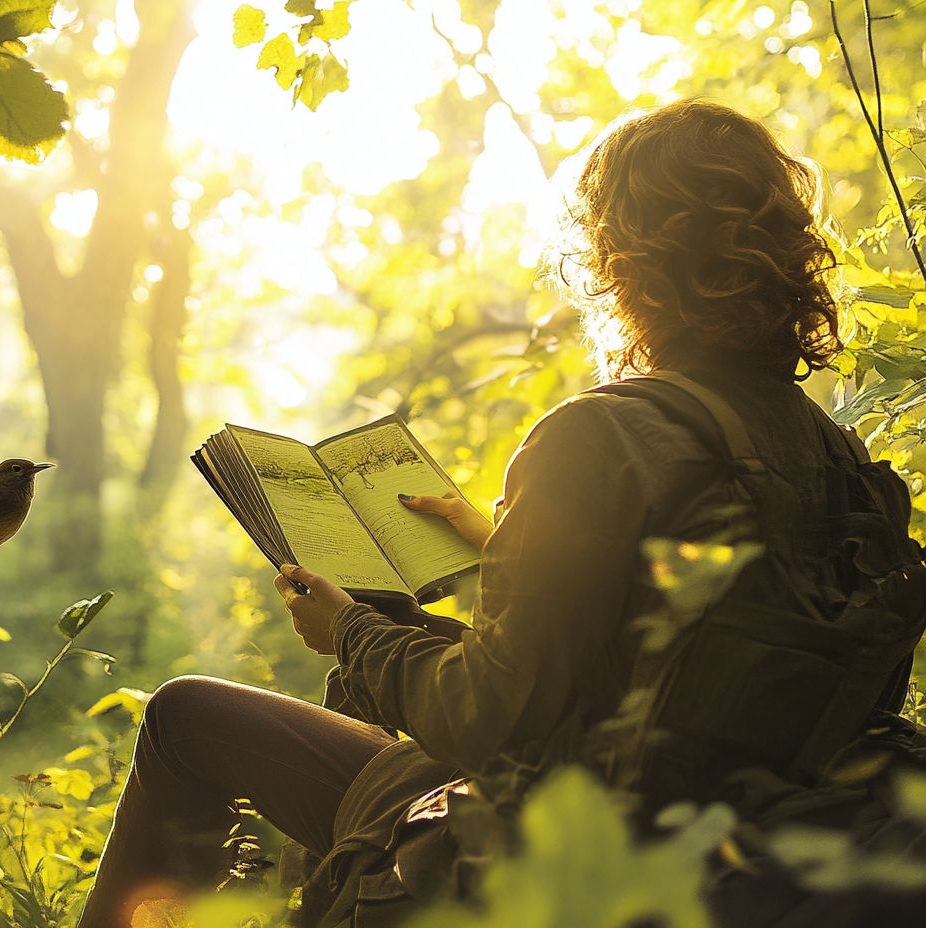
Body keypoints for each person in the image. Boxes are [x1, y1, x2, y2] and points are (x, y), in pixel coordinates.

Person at [75, 99, 926, 928]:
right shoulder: (841, 457)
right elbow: (745, 652)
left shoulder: (600, 433)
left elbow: (491, 718)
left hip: (574, 843)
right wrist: (508, 548)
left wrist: (353, 634)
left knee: (183, 715)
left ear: (620, 257)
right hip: (754, 831)